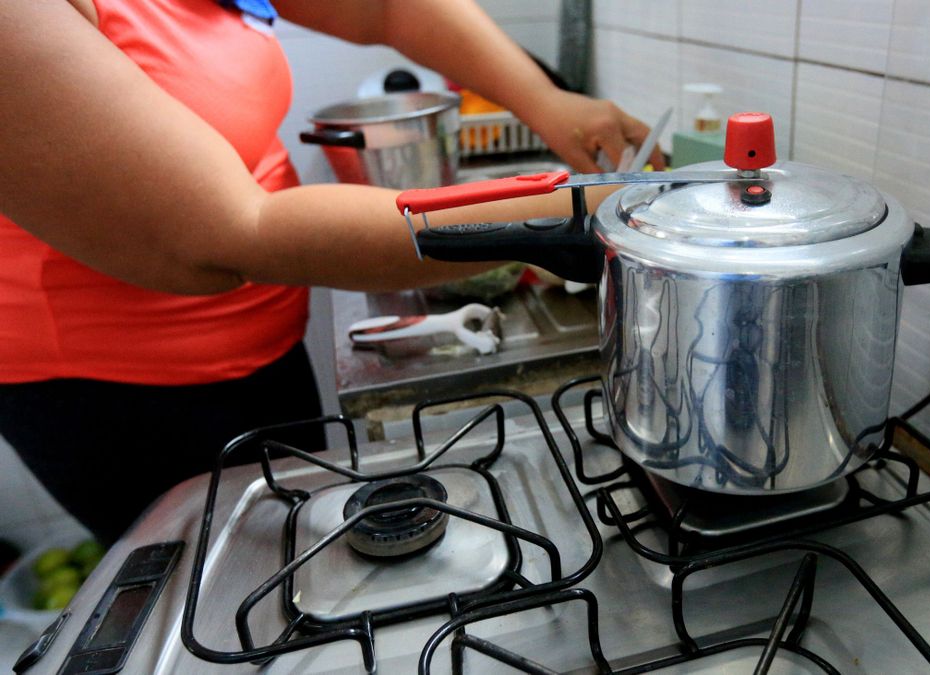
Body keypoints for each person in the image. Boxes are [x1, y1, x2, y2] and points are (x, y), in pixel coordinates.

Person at [0, 0, 664, 544]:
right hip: (118, 397)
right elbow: (227, 234)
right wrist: (566, 211)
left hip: (259, 343)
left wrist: (548, 101)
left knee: (293, 544)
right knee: (237, 593)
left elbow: (384, 8)